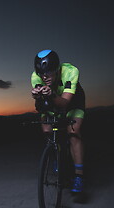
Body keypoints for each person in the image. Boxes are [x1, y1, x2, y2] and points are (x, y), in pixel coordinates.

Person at [31, 49, 85, 193]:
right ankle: (56, 152)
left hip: (72, 102)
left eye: (48, 72)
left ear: (56, 68)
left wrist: (52, 94)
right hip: (52, 101)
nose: (44, 76)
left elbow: (65, 103)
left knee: (74, 132)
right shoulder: (35, 77)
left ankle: (79, 177)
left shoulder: (71, 71)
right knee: (47, 129)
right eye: (41, 73)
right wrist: (37, 98)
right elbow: (39, 108)